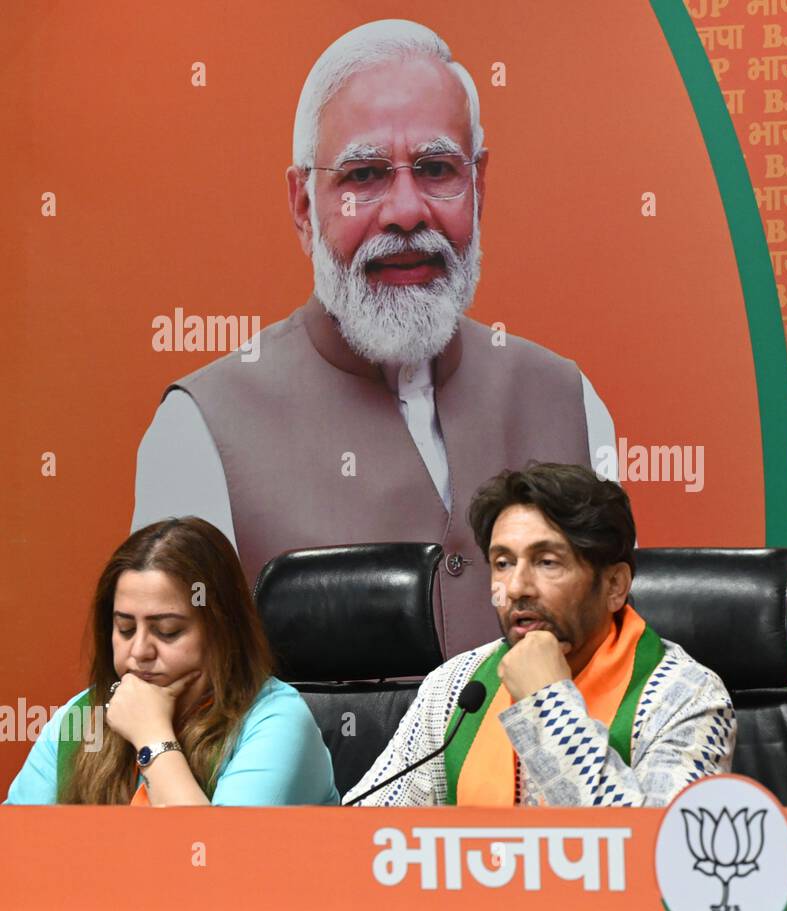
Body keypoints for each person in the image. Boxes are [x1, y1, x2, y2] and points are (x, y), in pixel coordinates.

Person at [130, 19, 615, 659]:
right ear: (303, 205)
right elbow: (163, 707)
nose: (406, 212)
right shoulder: (196, 432)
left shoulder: (570, 402)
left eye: (438, 168)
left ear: (480, 186)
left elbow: (619, 677)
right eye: (364, 176)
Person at [346, 463, 735, 807]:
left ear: (615, 585)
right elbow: (361, 837)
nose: (516, 587)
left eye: (547, 562)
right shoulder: (456, 688)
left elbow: (655, 859)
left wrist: (547, 702)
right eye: (503, 563)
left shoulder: (684, 696)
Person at [4, 517, 338, 806]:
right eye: (125, 628)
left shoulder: (277, 721)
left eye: (167, 631)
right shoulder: (77, 719)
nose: (139, 652)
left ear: (223, 632)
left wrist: (152, 736)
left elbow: (215, 863)